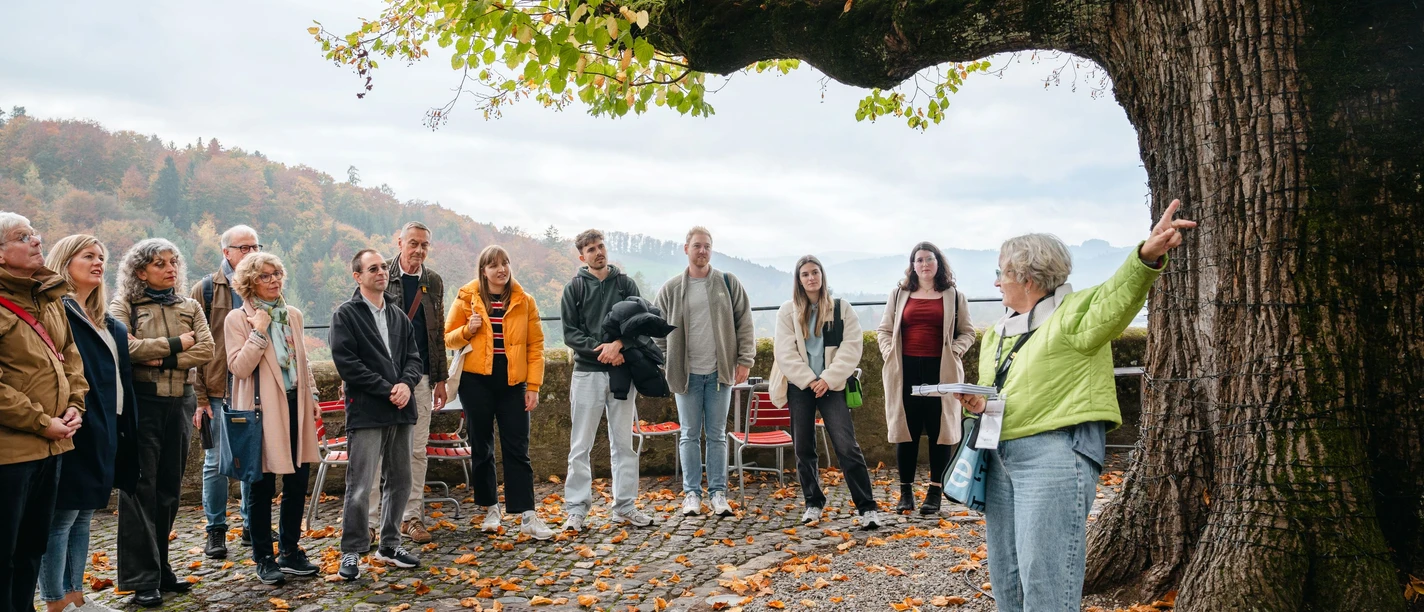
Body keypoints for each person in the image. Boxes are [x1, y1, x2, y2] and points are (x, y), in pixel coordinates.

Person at [956, 200, 1195, 611]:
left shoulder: (1075, 314)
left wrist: (1145, 256)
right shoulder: (996, 333)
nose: (996, 283)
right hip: (998, 457)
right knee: (1006, 575)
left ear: (1028, 278)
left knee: (1045, 575)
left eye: (1001, 272)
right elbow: (997, 394)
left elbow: (1116, 298)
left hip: (1054, 455)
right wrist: (975, 403)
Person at [109, 238, 215, 608]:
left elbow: (206, 349)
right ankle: (142, 579)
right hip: (143, 403)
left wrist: (161, 357)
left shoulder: (188, 305)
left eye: (174, 262)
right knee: (140, 487)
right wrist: (175, 344)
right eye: (160, 263)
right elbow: (125, 348)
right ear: (141, 271)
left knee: (169, 487)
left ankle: (161, 568)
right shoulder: (125, 305)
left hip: (181, 403)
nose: (170, 268)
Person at [37, 235, 138, 612]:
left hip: (108, 426)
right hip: (77, 424)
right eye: (88, 256)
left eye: (101, 257)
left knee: (83, 515)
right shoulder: (57, 311)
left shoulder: (105, 321)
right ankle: (55, 602)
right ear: (65, 261)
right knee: (61, 517)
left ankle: (76, 596)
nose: (98, 262)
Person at [0, 213, 87, 612]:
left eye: (35, 233)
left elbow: (71, 360)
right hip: (10, 454)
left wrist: (74, 406)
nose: (37, 241)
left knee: (32, 548)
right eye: (23, 237)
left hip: (51, 448)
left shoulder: (48, 298)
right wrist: (41, 422)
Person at [224, 252, 321, 585]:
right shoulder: (238, 319)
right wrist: (259, 331)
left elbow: (301, 361)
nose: (274, 280)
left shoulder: (291, 314)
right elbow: (239, 368)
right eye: (265, 275)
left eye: (277, 273)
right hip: (262, 412)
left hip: (296, 405)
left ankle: (291, 551)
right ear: (250, 281)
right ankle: (264, 557)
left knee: (297, 481)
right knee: (261, 485)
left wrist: (314, 397)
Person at [444, 245, 552, 540]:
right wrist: (468, 329)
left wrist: (533, 387)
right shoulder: (467, 297)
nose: (501, 269)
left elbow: (535, 347)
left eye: (505, 263)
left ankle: (527, 514)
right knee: (482, 446)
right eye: (494, 265)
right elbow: (448, 337)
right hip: (475, 381)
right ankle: (491, 509)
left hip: (512, 382)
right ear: (483, 270)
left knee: (518, 447)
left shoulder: (525, 301)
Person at [329, 249, 424, 580]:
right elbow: (348, 364)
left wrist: (407, 385)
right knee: (361, 484)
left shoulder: (398, 315)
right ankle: (353, 551)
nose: (381, 272)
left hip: (401, 407)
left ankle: (390, 544)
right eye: (373, 268)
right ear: (358, 276)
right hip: (368, 409)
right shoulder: (346, 315)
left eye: (384, 266)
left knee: (400, 480)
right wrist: (388, 388)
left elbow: (414, 357)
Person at [769, 255, 882, 529]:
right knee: (803, 447)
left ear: (822, 276)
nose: (811, 278)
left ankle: (867, 508)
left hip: (832, 387)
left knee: (846, 446)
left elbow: (852, 347)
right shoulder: (787, 311)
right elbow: (785, 352)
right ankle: (813, 503)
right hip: (801, 386)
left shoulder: (841, 309)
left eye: (815, 272)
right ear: (799, 279)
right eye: (805, 274)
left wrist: (828, 379)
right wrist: (809, 380)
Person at [652, 227, 754, 518]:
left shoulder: (727, 283)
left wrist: (744, 359)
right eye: (697, 246)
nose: (702, 251)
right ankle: (692, 495)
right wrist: (666, 360)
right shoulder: (671, 289)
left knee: (717, 435)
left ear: (712, 249)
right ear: (686, 249)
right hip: (686, 376)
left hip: (719, 373)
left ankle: (718, 493)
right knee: (689, 435)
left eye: (707, 246)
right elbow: (656, 330)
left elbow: (744, 322)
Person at [559, 229, 652, 532]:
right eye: (591, 249)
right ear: (581, 256)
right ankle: (576, 510)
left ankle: (624, 507)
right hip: (586, 372)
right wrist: (602, 350)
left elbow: (643, 322)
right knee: (580, 445)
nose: (598, 252)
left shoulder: (626, 285)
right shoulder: (574, 289)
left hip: (622, 372)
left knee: (624, 444)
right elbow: (570, 333)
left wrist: (620, 346)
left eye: (601, 246)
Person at [874, 242, 974, 515]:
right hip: (904, 370)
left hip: (940, 370)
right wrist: (889, 352)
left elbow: (968, 332)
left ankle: (935, 491)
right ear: (913, 265)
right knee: (906, 431)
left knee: (940, 431)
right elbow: (883, 330)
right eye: (919, 260)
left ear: (938, 263)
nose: (924, 264)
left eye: (929, 259)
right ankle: (905, 492)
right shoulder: (899, 294)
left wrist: (955, 350)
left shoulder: (953, 296)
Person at [368, 222, 448, 545]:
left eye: (424, 245)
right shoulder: (380, 274)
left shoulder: (433, 282)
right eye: (413, 243)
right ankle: (370, 522)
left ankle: (410, 517)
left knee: (416, 452)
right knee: (376, 452)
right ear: (399, 242)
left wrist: (440, 377)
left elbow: (437, 333)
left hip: (422, 377)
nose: (418, 250)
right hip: (383, 377)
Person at [191, 225, 259, 558]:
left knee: (251, 459)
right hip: (218, 388)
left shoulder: (265, 286)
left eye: (254, 247)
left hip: (254, 389)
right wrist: (200, 399)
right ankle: (215, 530)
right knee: (216, 463)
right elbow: (196, 352)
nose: (250, 253)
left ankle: (251, 526)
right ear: (226, 252)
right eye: (243, 248)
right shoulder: (205, 290)